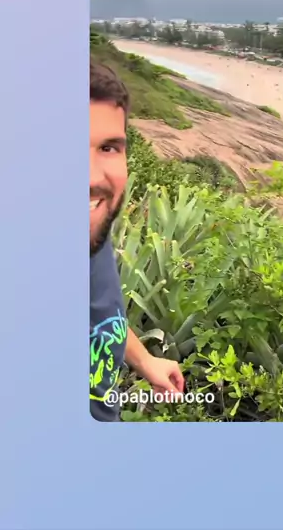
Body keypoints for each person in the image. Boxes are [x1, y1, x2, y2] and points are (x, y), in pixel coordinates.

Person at [90, 59, 184, 421]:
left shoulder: (93, 231)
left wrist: (144, 360)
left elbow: (100, 314)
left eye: (108, 148)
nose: (91, 177)